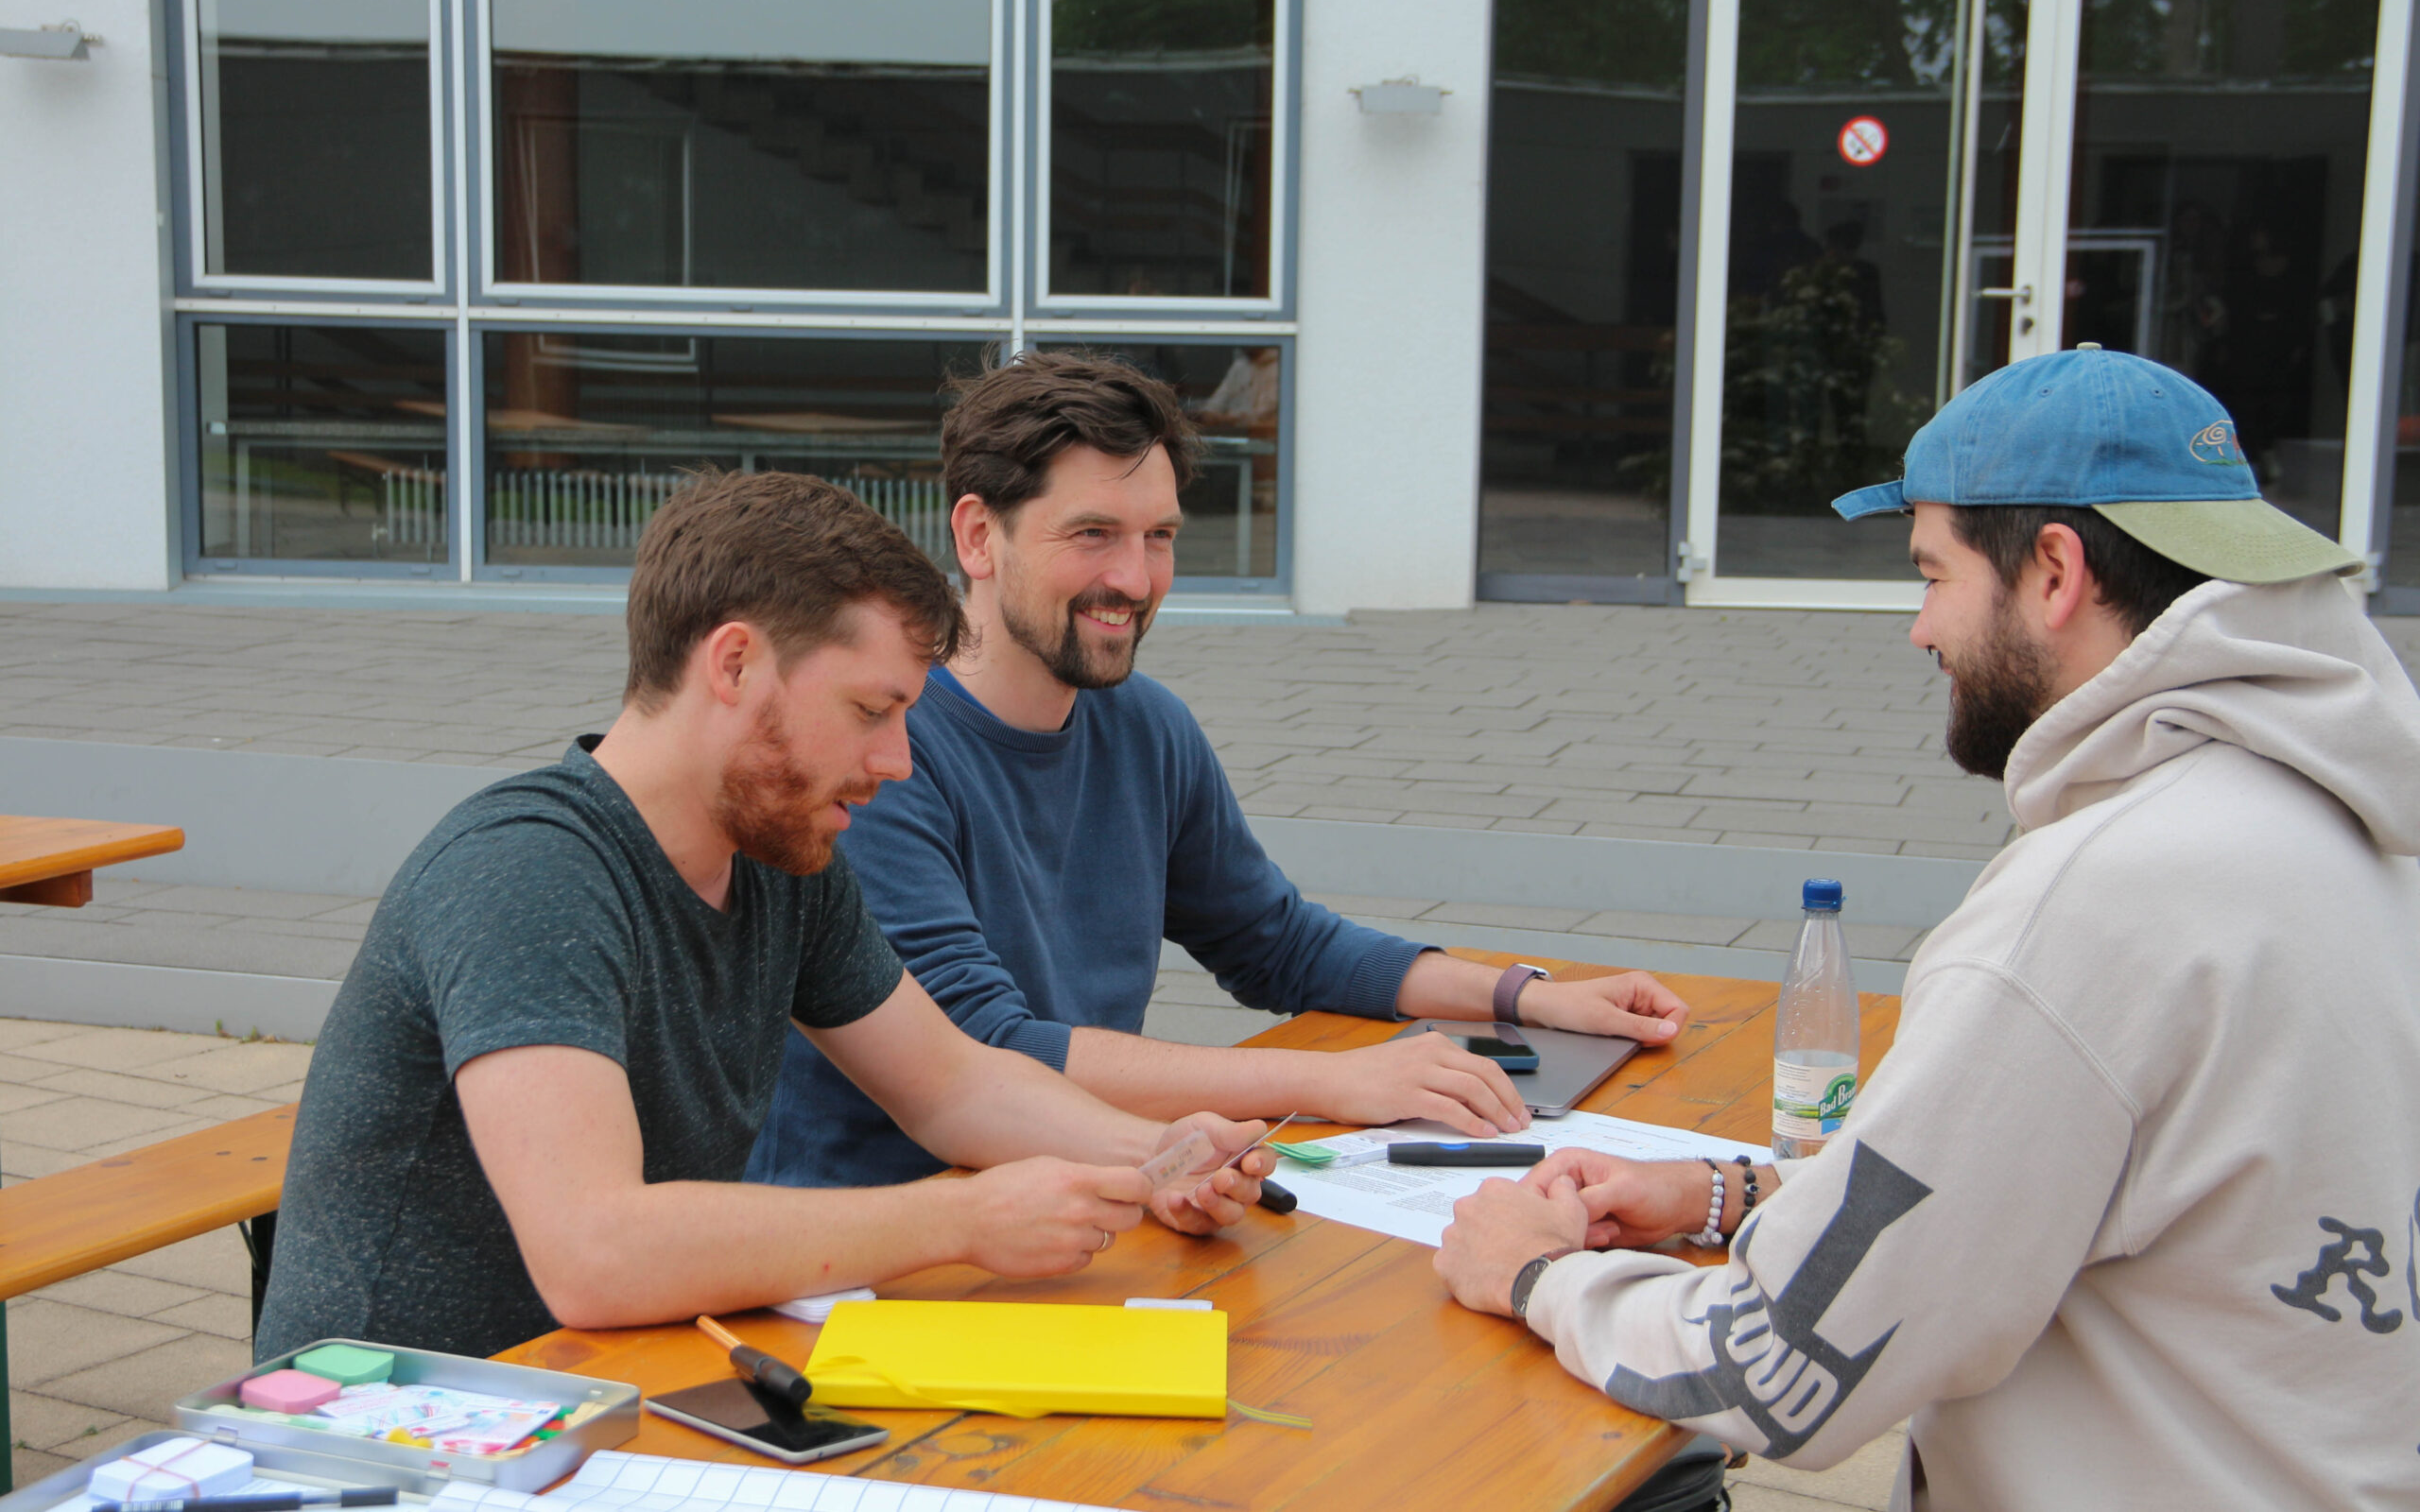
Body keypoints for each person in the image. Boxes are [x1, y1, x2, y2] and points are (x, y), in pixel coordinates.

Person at [1434, 346, 2420, 1508]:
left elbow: (1781, 1374)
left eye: (1932, 573)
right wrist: (1721, 1197)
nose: (1918, 629)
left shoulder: (2103, 899)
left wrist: (1536, 1274)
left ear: (2053, 571)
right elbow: (2074, 1201)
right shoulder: (2347, 825)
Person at [256, 471, 1270, 1360]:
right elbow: (593, 1251)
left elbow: (951, 1086)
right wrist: (960, 1217)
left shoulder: (780, 857)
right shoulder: (529, 874)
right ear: (734, 664)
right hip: (389, 1447)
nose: (897, 763)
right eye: (872, 711)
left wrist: (1153, 1159)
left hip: (600, 1397)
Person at [749, 352, 1689, 1189]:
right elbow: (988, 1048)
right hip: (881, 1237)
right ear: (977, 537)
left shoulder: (1144, 726)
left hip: (1106, 1194)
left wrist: (1527, 996)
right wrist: (1332, 1080)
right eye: (1092, 535)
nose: (1136, 576)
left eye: (1158, 536)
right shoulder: (882, 756)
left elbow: (1275, 941)